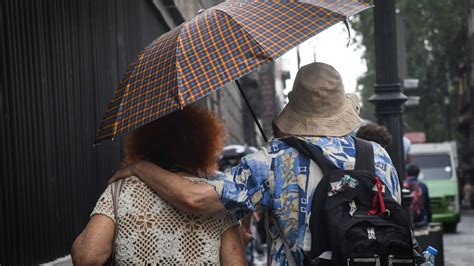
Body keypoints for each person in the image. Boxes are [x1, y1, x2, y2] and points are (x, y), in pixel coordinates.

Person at [110, 62, 401, 265]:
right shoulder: (377, 155)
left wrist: (140, 168)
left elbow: (195, 198)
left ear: (296, 107)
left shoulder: (274, 159)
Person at [71, 106, 246, 265]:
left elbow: (86, 257)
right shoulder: (214, 199)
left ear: (144, 144)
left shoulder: (121, 190)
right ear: (203, 147)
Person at [404, 164, 432, 228]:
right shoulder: (423, 186)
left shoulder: (402, 185)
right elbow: (427, 206)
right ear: (418, 174)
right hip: (421, 221)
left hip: (406, 223)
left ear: (407, 173)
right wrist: (429, 221)